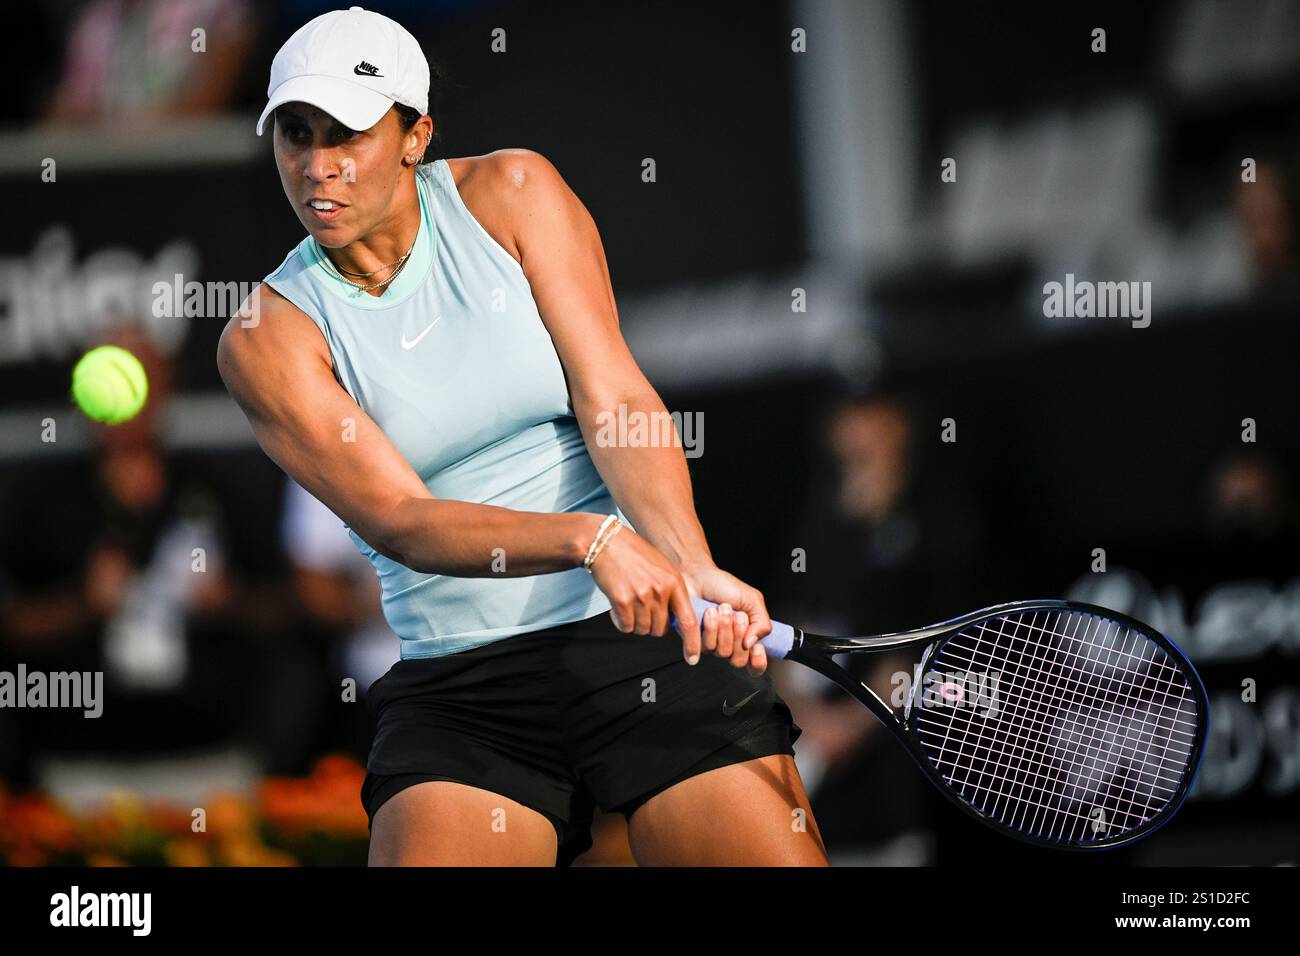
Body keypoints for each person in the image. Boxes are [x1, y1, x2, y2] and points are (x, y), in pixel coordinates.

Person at [217, 6, 826, 866]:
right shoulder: (263, 337)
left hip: (639, 640)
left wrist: (686, 561)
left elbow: (612, 393)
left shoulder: (514, 194)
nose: (320, 168)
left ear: (414, 135)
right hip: (463, 691)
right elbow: (400, 518)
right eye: (296, 135)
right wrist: (591, 539)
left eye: (349, 136)